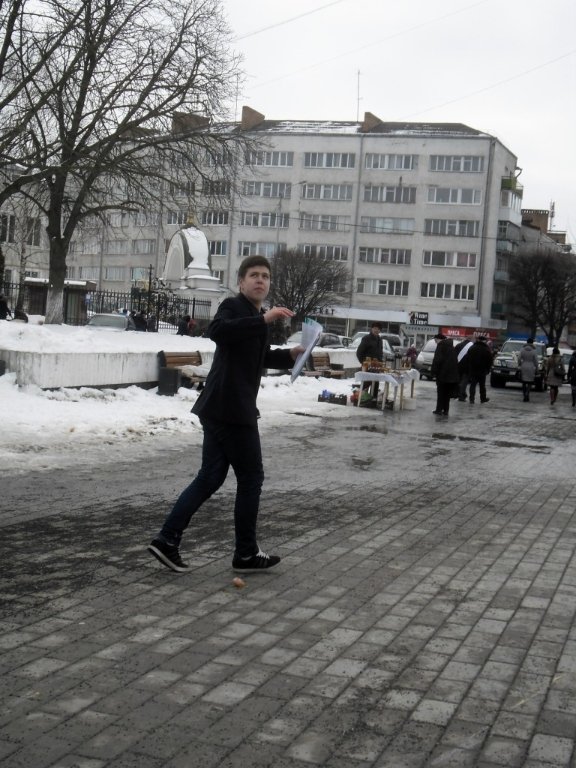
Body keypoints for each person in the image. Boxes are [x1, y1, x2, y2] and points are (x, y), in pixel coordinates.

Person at [148, 255, 304, 574]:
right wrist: (263, 321)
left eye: (265, 276)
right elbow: (219, 331)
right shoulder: (234, 307)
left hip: (223, 406)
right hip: (231, 408)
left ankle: (167, 540)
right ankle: (245, 553)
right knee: (251, 477)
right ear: (241, 282)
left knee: (210, 477)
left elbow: (260, 356)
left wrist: (290, 355)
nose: (260, 280)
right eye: (254, 275)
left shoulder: (254, 314)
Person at [430, 333, 459, 416]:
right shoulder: (451, 347)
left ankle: (438, 410)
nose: (435, 342)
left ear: (439, 339)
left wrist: (433, 372)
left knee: (441, 393)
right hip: (451, 375)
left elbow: (437, 360)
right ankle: (446, 410)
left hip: (442, 375)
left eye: (435, 340)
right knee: (447, 394)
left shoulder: (441, 346)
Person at [356, 323, 384, 403]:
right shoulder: (366, 338)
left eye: (378, 329)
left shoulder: (380, 340)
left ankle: (373, 399)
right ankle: (361, 398)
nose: (376, 330)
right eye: (375, 328)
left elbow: (380, 352)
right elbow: (359, 352)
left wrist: (380, 362)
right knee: (366, 382)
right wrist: (363, 362)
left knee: (376, 381)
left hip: (376, 365)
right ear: (371, 329)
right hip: (367, 365)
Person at [467, 336, 493, 404]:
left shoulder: (472, 347)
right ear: (484, 341)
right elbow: (490, 360)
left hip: (473, 369)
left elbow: (468, 358)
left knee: (473, 385)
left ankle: (471, 399)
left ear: (478, 340)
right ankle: (483, 398)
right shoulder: (486, 349)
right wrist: (488, 369)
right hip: (482, 370)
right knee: (482, 385)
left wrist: (470, 367)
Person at [454, 335, 474, 401]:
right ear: (471, 339)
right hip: (467, 367)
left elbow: (454, 355)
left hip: (458, 366)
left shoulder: (458, 345)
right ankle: (461, 395)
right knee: (464, 382)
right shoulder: (472, 346)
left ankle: (457, 394)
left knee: (458, 381)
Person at [519, 338, 538, 402]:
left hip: (524, 365)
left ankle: (524, 394)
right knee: (530, 382)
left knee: (524, 382)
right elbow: (536, 361)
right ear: (532, 343)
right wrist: (537, 368)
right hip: (531, 366)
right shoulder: (534, 350)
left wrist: (519, 364)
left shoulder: (522, 349)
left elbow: (519, 358)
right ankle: (527, 392)